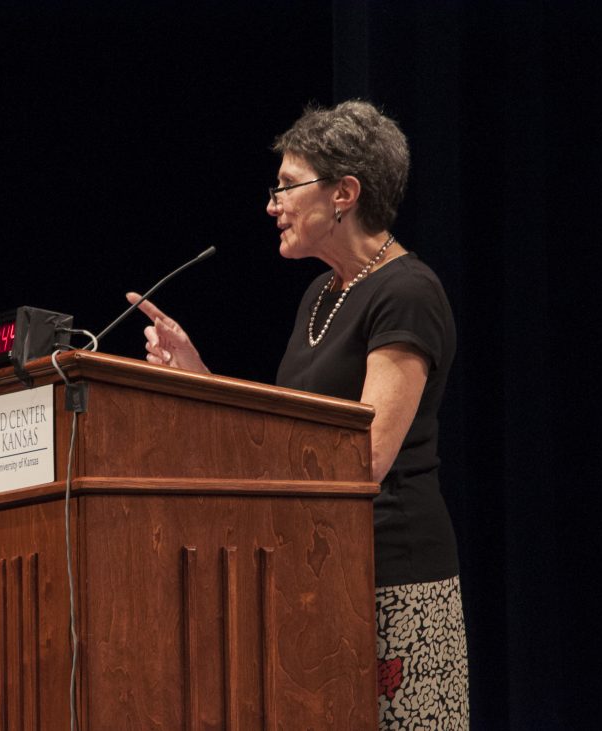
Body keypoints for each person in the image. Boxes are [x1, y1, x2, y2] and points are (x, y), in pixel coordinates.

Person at [126, 100, 468, 729]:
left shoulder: (407, 293)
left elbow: (365, 460)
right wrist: (200, 378)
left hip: (390, 579)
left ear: (344, 194)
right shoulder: (320, 295)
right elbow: (287, 436)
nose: (272, 204)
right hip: (315, 567)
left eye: (286, 186)